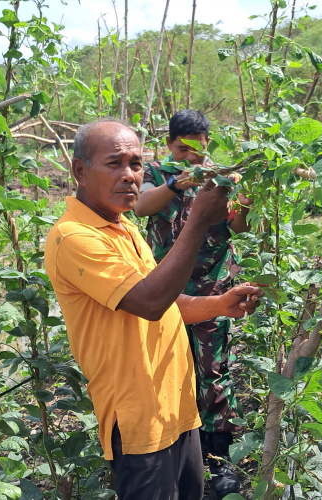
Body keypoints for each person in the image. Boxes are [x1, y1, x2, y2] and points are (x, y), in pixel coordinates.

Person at [44, 118, 263, 500]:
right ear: (80, 170)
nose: (130, 175)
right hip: (138, 422)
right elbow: (149, 302)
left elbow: (167, 302)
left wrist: (218, 305)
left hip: (176, 409)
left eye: (136, 164)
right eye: (115, 163)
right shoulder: (73, 238)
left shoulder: (123, 227)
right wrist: (198, 219)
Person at [134, 110, 251, 499]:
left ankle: (220, 459)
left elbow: (237, 228)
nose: (192, 158)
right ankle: (182, 449)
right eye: (183, 149)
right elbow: (141, 206)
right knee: (168, 368)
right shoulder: (156, 174)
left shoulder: (221, 175)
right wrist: (176, 182)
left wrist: (244, 198)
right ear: (169, 144)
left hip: (213, 288)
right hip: (164, 290)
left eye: (199, 151)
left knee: (213, 369)